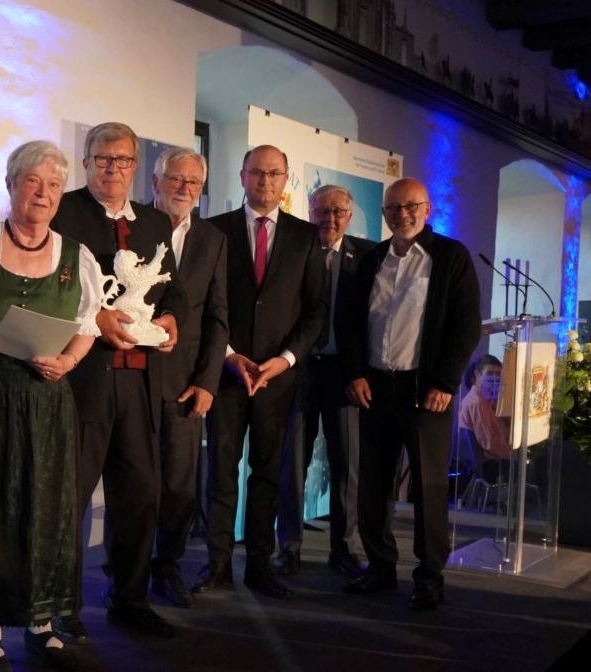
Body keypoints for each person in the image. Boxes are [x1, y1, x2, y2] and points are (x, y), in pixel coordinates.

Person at [0, 140, 97, 671]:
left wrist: (70, 362)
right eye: (33, 181)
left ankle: (41, 619)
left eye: (54, 185)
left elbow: (87, 324)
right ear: (11, 185)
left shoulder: (76, 256)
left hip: (45, 398)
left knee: (45, 508)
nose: (43, 193)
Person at [51, 121, 184, 641]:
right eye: (103, 159)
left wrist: (170, 323)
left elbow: (172, 294)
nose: (113, 168)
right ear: (85, 162)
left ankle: (129, 597)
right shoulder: (63, 211)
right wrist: (96, 321)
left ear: (136, 166)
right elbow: (49, 284)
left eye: (123, 160)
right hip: (83, 379)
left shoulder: (154, 223)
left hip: (140, 384)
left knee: (139, 495)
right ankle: (62, 609)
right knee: (72, 499)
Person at [338, 177, 481, 611]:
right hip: (375, 387)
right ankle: (379, 567)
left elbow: (465, 325)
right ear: (384, 213)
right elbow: (349, 323)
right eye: (394, 208)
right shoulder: (372, 259)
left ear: (427, 208)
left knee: (428, 486)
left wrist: (446, 382)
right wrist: (356, 374)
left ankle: (429, 576)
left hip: (425, 389)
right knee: (373, 484)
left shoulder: (450, 257)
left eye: (410, 205)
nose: (402, 214)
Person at [193, 145, 328, 600]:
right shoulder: (213, 231)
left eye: (273, 174)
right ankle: (215, 565)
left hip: (277, 378)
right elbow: (205, 306)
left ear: (286, 179)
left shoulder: (306, 238)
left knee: (268, 472)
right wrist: (229, 355)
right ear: (241, 175)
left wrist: (284, 360)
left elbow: (315, 313)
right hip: (227, 373)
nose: (265, 182)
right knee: (220, 472)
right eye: (256, 173)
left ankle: (258, 565)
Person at [272, 185, 374, 579]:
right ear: (308, 212)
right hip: (298, 371)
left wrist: (361, 372)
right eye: (321, 211)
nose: (329, 219)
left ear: (349, 217)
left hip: (344, 374)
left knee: (346, 463)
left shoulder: (366, 257)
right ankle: (289, 546)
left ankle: (344, 549)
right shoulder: (294, 250)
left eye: (338, 211)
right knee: (291, 463)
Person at [145, 148, 228, 607]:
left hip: (184, 381)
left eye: (193, 183)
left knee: (179, 483)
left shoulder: (213, 239)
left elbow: (219, 317)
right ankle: (128, 573)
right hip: (133, 376)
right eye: (175, 180)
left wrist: (208, 382)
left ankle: (167, 567)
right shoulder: (133, 225)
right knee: (135, 482)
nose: (183, 189)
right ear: (155, 184)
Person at [458, 355, 512, 482]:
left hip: (497, 462)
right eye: (490, 373)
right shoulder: (477, 403)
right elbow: (491, 445)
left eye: (498, 374)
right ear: (477, 375)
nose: (495, 378)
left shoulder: (488, 399)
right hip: (493, 465)